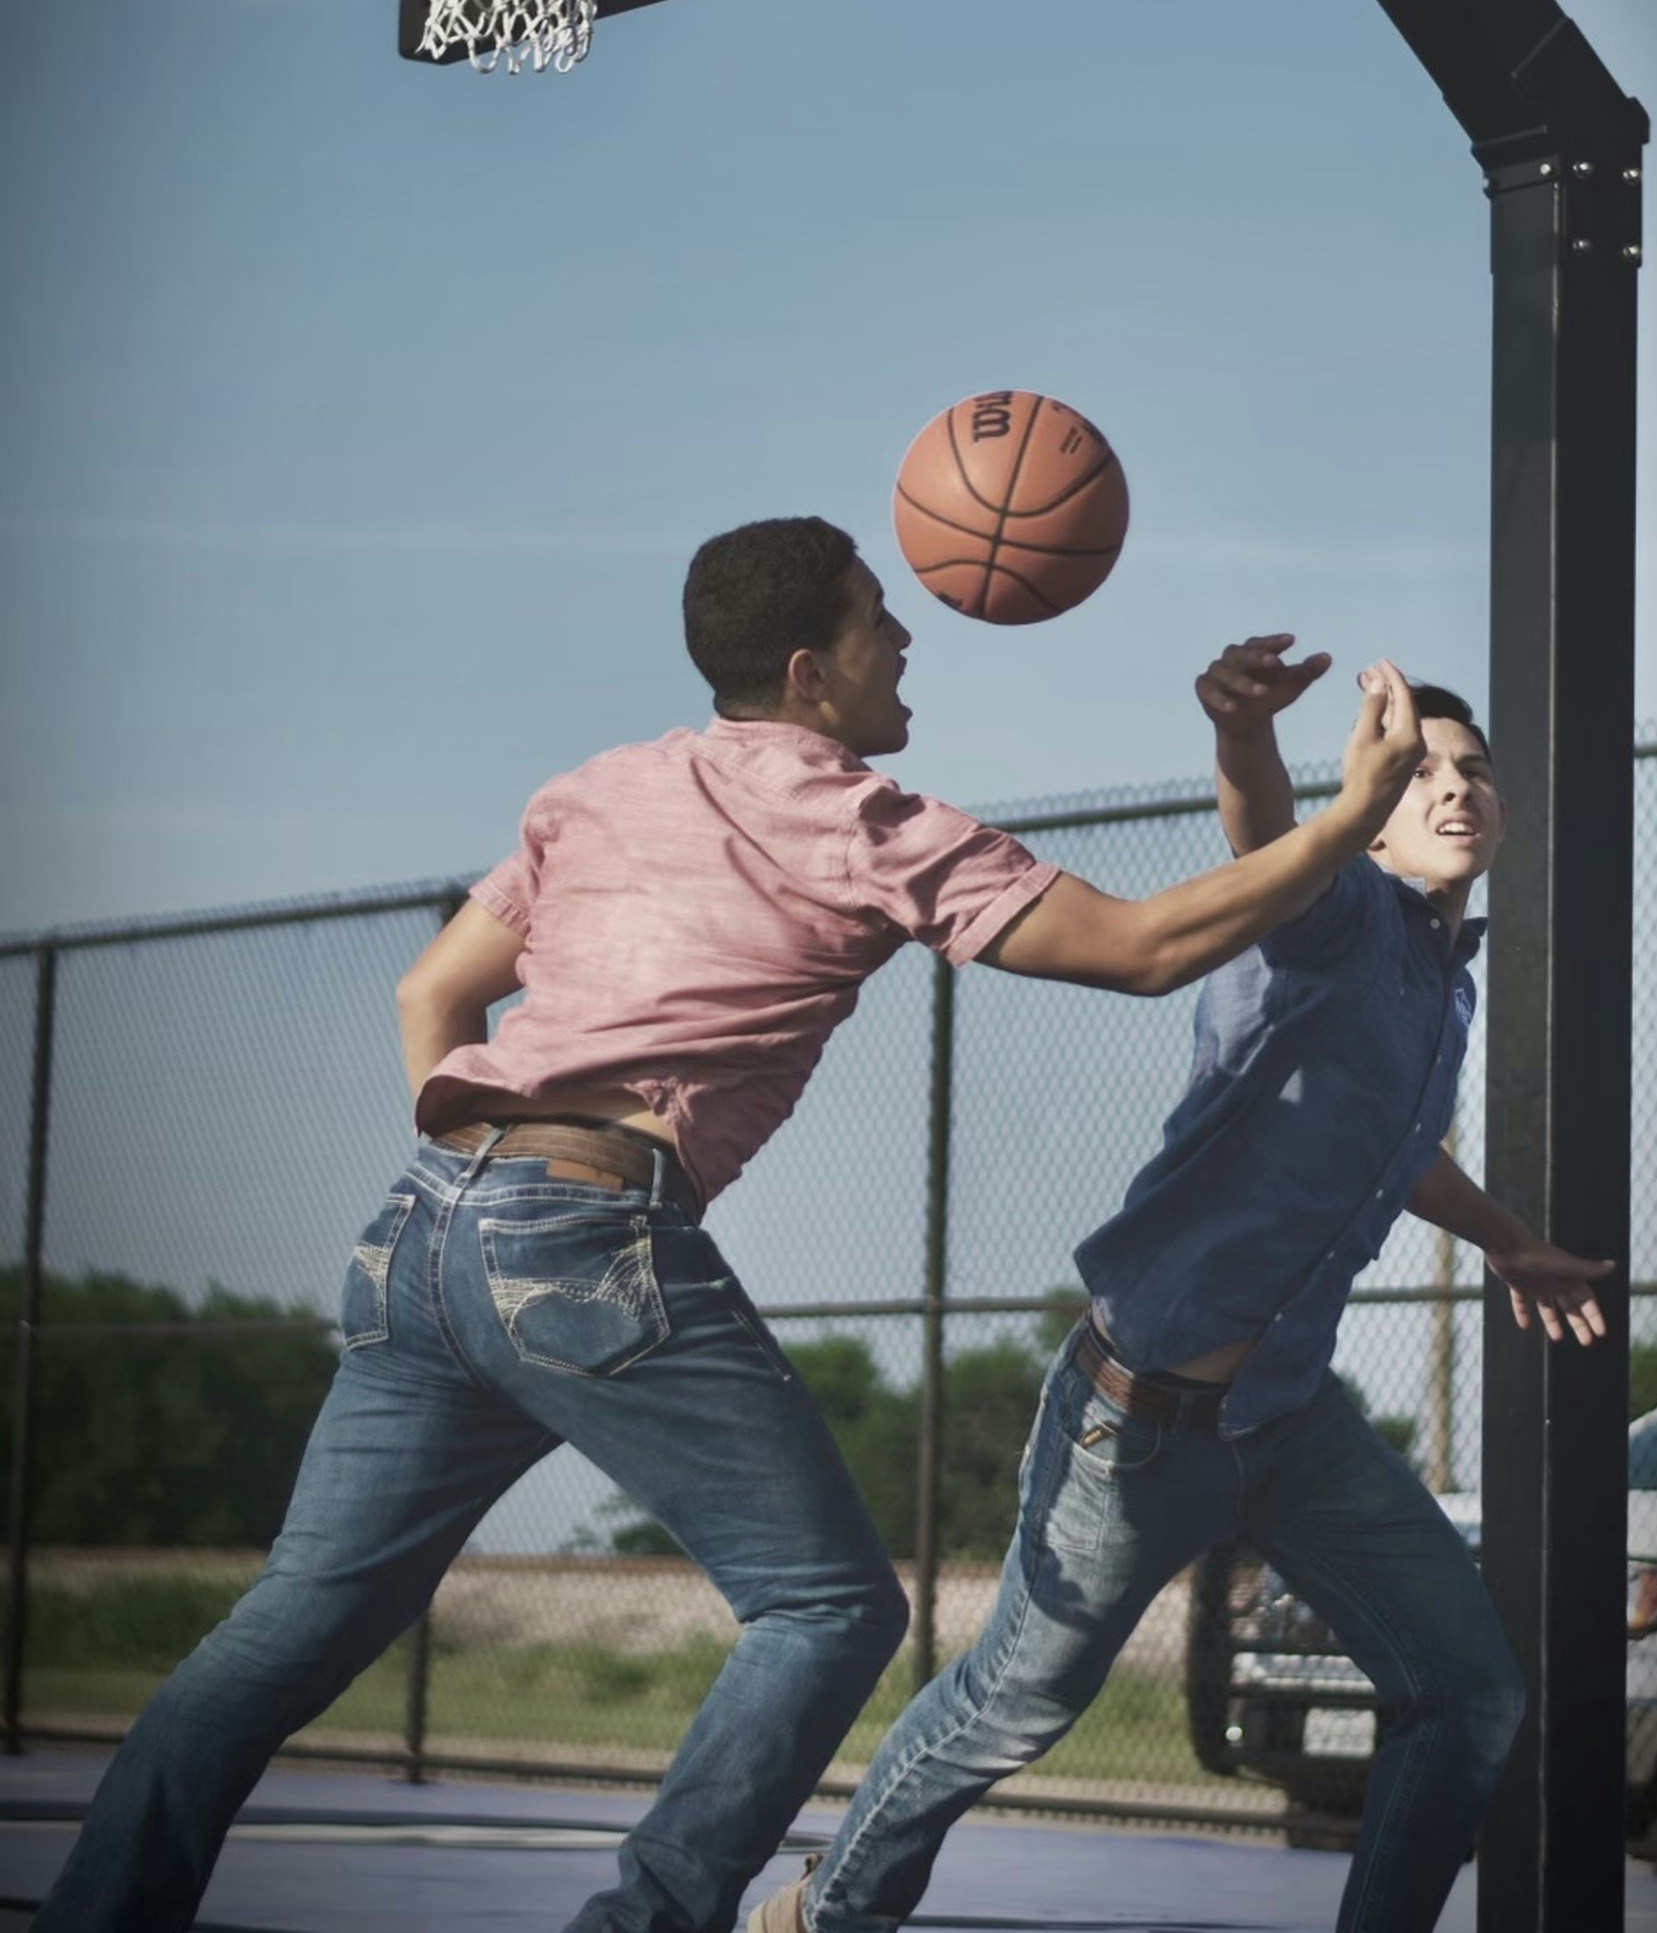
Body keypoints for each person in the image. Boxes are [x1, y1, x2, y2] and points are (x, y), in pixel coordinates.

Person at [38, 531, 1427, 1933]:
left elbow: (429, 996)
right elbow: (1139, 950)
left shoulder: (596, 789)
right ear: (814, 672)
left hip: (421, 1230)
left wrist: (492, 1175)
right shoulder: (863, 820)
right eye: (883, 621)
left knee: (280, 1633)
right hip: (586, 1234)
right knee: (829, 1607)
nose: (909, 643)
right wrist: (1343, 814)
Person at [751, 633, 1615, 1933]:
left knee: (1470, 1692)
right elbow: (1261, 826)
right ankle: (825, 1911)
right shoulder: (1328, 910)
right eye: (1420, 769)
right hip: (1142, 1418)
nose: (1453, 787)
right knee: (1013, 1702)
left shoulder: (1444, 982)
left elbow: (1392, 1147)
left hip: (1288, 1416)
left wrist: (1506, 1236)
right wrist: (1245, 739)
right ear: (1373, 821)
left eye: (1475, 770)